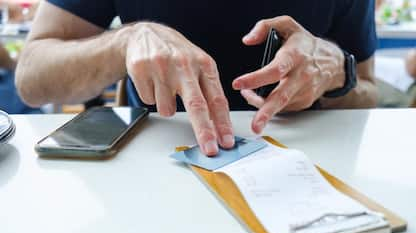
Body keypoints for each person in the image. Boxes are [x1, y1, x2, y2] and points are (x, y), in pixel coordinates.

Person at [15, 0, 377, 156]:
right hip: (154, 174)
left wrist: (338, 73)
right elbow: (31, 77)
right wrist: (123, 42)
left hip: (307, 171)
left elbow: (368, 90)